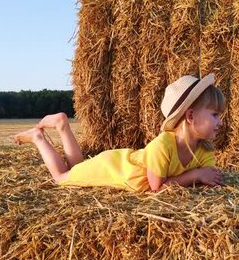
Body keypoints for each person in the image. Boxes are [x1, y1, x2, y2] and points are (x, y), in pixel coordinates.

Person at [13, 73, 225, 191]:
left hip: (119, 160)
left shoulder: (204, 150)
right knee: (62, 178)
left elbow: (209, 179)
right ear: (190, 117)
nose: (221, 122)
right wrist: (196, 175)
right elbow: (157, 187)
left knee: (78, 168)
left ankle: (62, 125)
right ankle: (38, 137)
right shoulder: (163, 145)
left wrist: (203, 177)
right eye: (215, 115)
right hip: (113, 168)